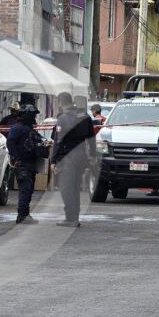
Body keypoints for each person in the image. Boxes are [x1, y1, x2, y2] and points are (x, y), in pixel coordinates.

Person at [51, 93, 95, 227]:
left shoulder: (62, 118)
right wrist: (92, 155)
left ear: (60, 103)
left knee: (66, 189)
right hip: (81, 156)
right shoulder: (84, 116)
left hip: (67, 158)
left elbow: (58, 141)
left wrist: (53, 160)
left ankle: (70, 218)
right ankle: (74, 217)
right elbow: (91, 138)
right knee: (75, 187)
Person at [6, 104, 45, 224]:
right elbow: (10, 143)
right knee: (25, 190)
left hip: (31, 164)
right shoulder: (17, 128)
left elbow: (37, 141)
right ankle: (22, 216)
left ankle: (25, 214)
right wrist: (16, 158)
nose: (34, 118)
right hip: (23, 164)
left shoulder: (30, 129)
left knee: (29, 190)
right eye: (33, 115)